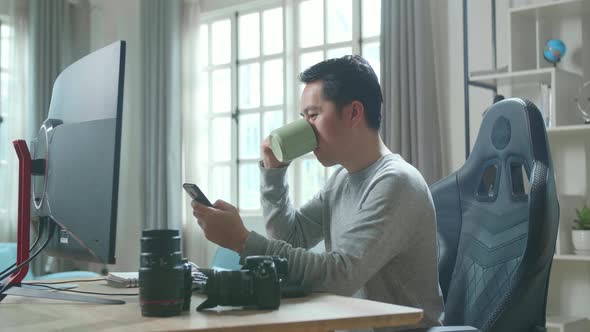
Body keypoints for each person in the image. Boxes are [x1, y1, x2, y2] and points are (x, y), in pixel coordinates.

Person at [192, 55, 443, 331]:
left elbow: (338, 276)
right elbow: (291, 239)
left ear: (353, 113)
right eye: (303, 118)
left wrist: (242, 240)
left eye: (313, 115)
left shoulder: (396, 182)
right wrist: (273, 174)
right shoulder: (340, 181)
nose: (306, 128)